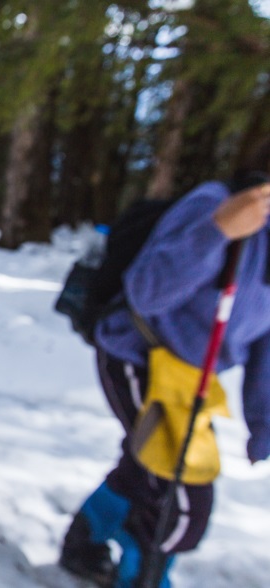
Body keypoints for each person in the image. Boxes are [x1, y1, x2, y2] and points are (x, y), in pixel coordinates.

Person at [59, 139, 270, 588]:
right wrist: (216, 230)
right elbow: (147, 290)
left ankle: (83, 545)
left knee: (146, 469)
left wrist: (264, 420)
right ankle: (142, 576)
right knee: (181, 495)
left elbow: (266, 341)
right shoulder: (214, 205)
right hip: (137, 355)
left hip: (189, 378)